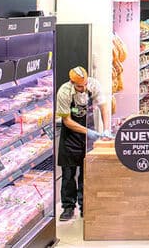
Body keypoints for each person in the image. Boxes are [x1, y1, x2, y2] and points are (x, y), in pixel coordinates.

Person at [56, 67, 110, 221]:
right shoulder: (64, 92)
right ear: (72, 83)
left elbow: (104, 107)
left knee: (87, 172)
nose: (83, 88)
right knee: (68, 174)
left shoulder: (93, 85)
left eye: (85, 84)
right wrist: (88, 132)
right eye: (80, 86)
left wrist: (106, 129)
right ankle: (68, 207)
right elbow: (67, 120)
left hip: (87, 135)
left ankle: (85, 206)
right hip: (70, 136)